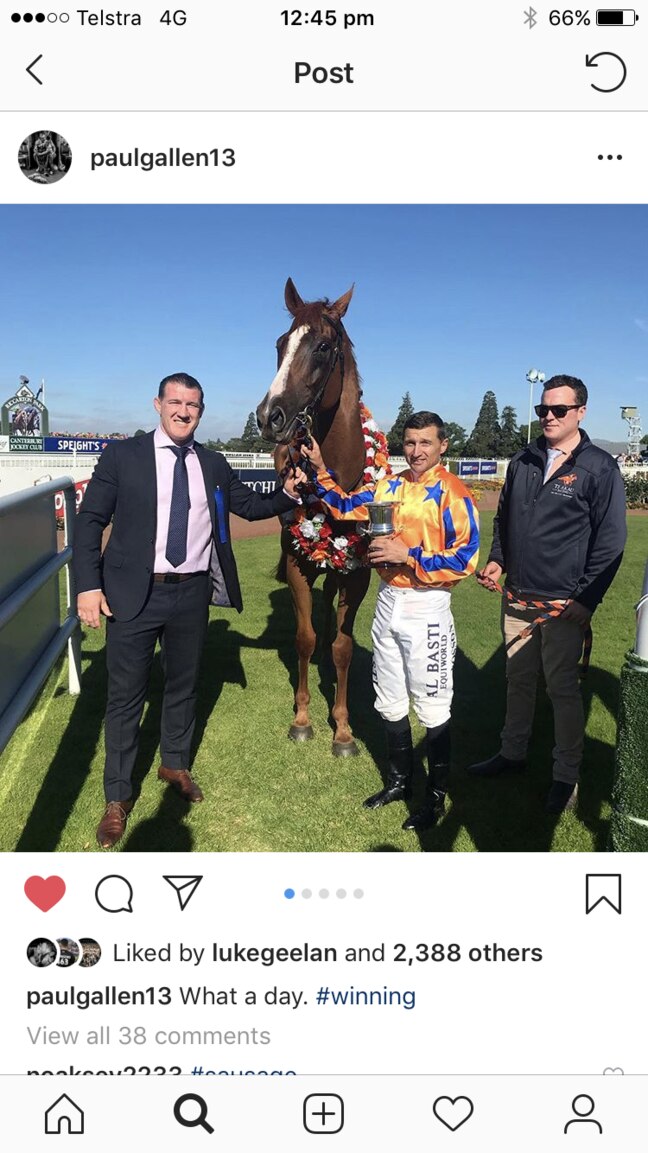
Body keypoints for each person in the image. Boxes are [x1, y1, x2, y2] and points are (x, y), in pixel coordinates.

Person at [74, 372, 301, 848]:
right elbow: (90, 520)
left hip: (191, 594)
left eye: (192, 405)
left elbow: (249, 506)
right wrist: (88, 587)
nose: (183, 411)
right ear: (157, 404)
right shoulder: (123, 456)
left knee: (182, 685)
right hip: (132, 594)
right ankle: (117, 796)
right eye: (174, 402)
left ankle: (175, 763)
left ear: (201, 411)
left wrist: (289, 494)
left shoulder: (213, 463)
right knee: (125, 697)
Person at [301, 411, 480, 831]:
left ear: (443, 446)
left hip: (428, 606)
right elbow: (346, 507)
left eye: (426, 444)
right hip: (388, 602)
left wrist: (408, 556)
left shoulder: (453, 492)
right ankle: (400, 781)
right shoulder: (390, 486)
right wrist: (322, 470)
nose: (416, 452)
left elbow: (466, 557)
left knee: (433, 705)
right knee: (390, 696)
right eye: (411, 443)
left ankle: (435, 798)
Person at [469, 375, 627, 813]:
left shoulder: (598, 467)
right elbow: (504, 520)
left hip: (562, 605)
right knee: (517, 681)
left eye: (559, 410)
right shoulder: (523, 460)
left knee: (561, 690)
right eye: (543, 410)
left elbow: (611, 541)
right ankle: (512, 753)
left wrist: (586, 600)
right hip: (517, 597)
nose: (549, 417)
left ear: (581, 412)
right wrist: (498, 560)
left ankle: (566, 777)